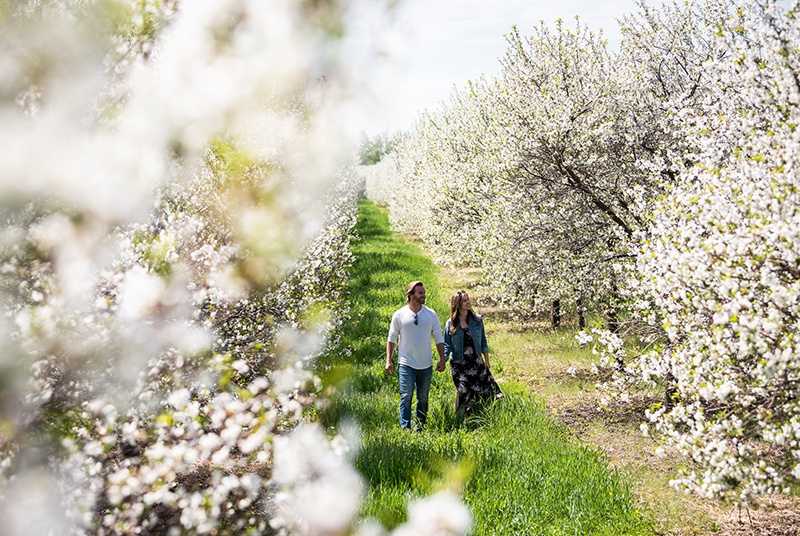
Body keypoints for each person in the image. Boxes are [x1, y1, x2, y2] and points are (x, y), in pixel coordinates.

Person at [386, 281, 446, 430]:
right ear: (410, 295)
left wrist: (442, 359)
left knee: (423, 399)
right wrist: (389, 360)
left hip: (425, 364)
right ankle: (405, 428)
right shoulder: (399, 315)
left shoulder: (431, 314)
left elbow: (439, 337)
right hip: (406, 363)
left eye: (424, 292)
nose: (423, 295)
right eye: (420, 293)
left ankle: (420, 426)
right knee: (406, 396)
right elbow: (392, 338)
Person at [444, 290, 503, 420]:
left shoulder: (477, 320)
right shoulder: (451, 323)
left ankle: (477, 414)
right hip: (459, 363)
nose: (468, 302)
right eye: (464, 300)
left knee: (482, 389)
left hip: (476, 361)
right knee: (462, 389)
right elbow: (447, 344)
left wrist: (486, 360)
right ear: (457, 304)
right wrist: (443, 359)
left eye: (468, 299)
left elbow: (483, 341)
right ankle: (460, 417)